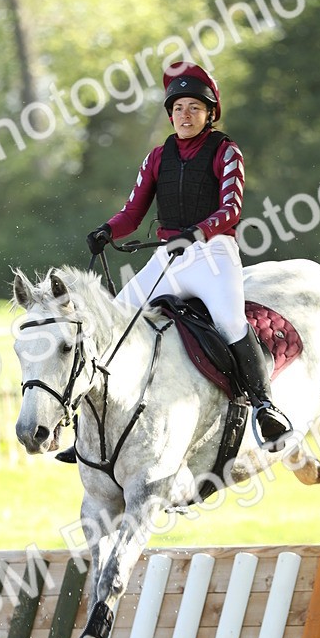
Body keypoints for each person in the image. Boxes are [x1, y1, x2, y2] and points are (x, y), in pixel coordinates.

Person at [58, 61, 292, 461]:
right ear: (171, 115)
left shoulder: (226, 151)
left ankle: (264, 406)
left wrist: (196, 233)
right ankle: (86, 426)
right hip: (169, 257)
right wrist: (108, 231)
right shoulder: (156, 158)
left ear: (210, 114)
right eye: (179, 108)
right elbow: (132, 213)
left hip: (213, 254)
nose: (186, 115)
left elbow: (231, 209)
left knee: (231, 322)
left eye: (194, 108)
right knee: (114, 320)